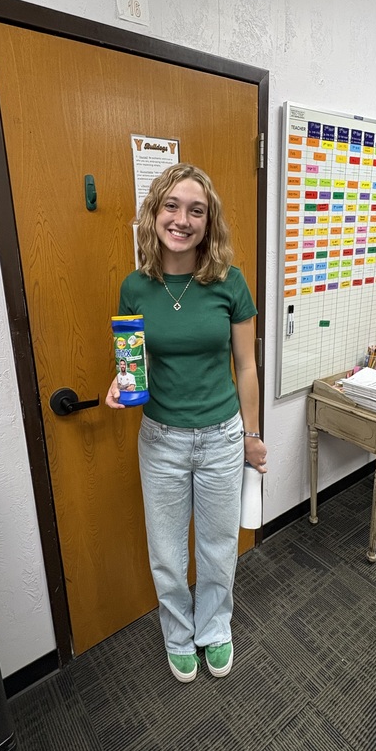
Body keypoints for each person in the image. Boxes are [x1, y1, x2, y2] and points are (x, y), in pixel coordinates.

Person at [105, 163, 267, 683]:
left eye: (196, 210)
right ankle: (178, 635)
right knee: (168, 552)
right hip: (162, 441)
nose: (182, 219)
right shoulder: (136, 287)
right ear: (154, 213)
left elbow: (246, 366)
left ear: (208, 220)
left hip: (221, 436)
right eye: (171, 206)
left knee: (218, 548)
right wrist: (119, 382)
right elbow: (134, 362)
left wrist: (253, 435)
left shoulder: (229, 282)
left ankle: (214, 629)